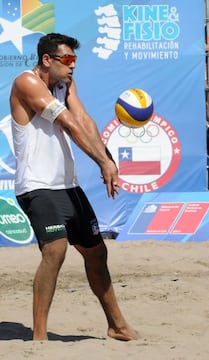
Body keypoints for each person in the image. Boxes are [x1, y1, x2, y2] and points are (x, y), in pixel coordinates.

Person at [9, 33, 138, 341]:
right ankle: (39, 337)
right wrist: (101, 163)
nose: (72, 66)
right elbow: (66, 121)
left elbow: (82, 118)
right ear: (46, 60)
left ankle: (117, 325)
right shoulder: (26, 83)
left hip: (66, 185)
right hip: (37, 185)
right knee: (55, 250)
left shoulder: (65, 85)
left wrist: (106, 157)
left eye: (75, 61)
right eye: (67, 60)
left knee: (96, 252)